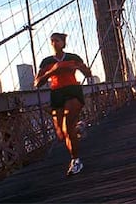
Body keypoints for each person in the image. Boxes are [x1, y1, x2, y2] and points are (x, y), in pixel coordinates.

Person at [34, 32, 92, 175]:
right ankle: (79, 127)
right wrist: (52, 71)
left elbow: (88, 74)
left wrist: (79, 67)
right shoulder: (46, 62)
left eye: (57, 40)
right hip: (56, 94)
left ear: (63, 43)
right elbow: (37, 83)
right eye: (52, 41)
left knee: (67, 127)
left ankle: (76, 161)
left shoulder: (73, 57)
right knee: (61, 134)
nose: (54, 43)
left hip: (73, 91)